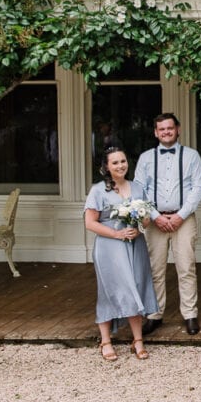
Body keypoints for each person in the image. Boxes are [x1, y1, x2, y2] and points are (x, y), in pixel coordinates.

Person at [133, 112, 201, 336]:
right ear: (156, 132)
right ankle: (155, 314)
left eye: (170, 128)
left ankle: (190, 315)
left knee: (186, 268)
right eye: (162, 129)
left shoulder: (192, 156)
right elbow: (138, 189)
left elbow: (199, 187)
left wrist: (180, 215)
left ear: (178, 129)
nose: (166, 132)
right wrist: (156, 216)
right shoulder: (146, 158)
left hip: (183, 219)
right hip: (155, 221)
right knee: (155, 269)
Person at [84, 146, 158, 362]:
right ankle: (106, 341)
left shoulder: (137, 188)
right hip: (110, 247)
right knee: (110, 290)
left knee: (135, 286)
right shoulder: (98, 190)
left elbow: (146, 219)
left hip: (135, 245)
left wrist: (141, 222)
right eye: (115, 162)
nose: (120, 165)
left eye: (123, 161)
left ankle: (138, 340)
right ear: (106, 167)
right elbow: (90, 223)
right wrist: (117, 234)